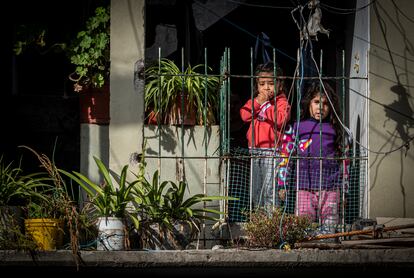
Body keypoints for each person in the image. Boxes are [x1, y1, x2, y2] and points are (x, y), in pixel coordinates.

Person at [292, 80, 349, 233]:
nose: (320, 107)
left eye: (325, 103)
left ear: (331, 107)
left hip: (330, 187)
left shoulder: (336, 129)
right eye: (316, 102)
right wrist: (281, 183)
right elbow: (286, 156)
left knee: (330, 227)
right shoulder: (298, 127)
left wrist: (345, 190)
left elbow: (345, 160)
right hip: (304, 186)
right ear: (308, 103)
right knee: (302, 227)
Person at [240, 62, 291, 213]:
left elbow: (281, 119)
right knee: (256, 190)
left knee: (270, 189)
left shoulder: (282, 102)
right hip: (255, 150)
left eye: (271, 83)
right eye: (262, 84)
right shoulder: (256, 101)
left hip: (272, 151)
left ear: (280, 85)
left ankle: (272, 220)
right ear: (257, 86)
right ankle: (259, 219)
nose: (266, 88)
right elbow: (244, 115)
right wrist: (257, 103)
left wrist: (266, 106)